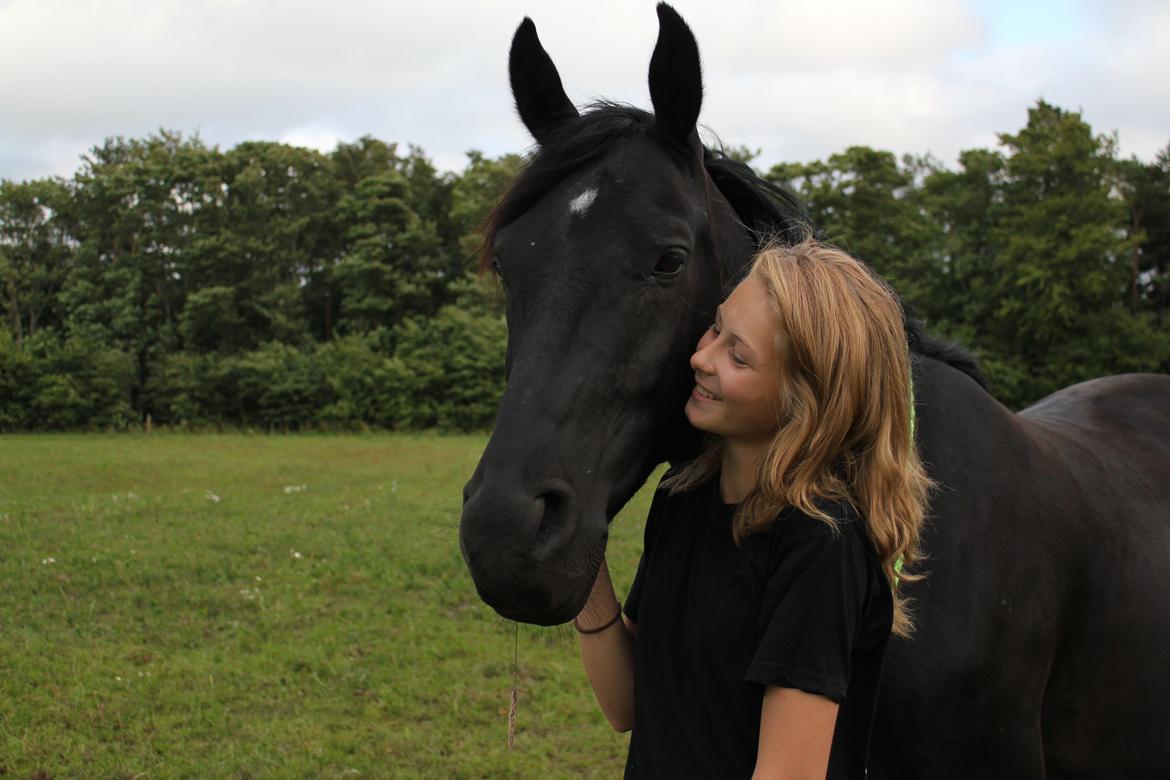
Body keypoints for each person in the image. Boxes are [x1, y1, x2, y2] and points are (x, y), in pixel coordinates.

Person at [573, 237, 933, 779]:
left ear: (808, 400)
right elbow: (627, 706)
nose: (700, 357)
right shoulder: (683, 496)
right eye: (715, 327)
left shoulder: (820, 547)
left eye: (737, 355)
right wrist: (578, 550)